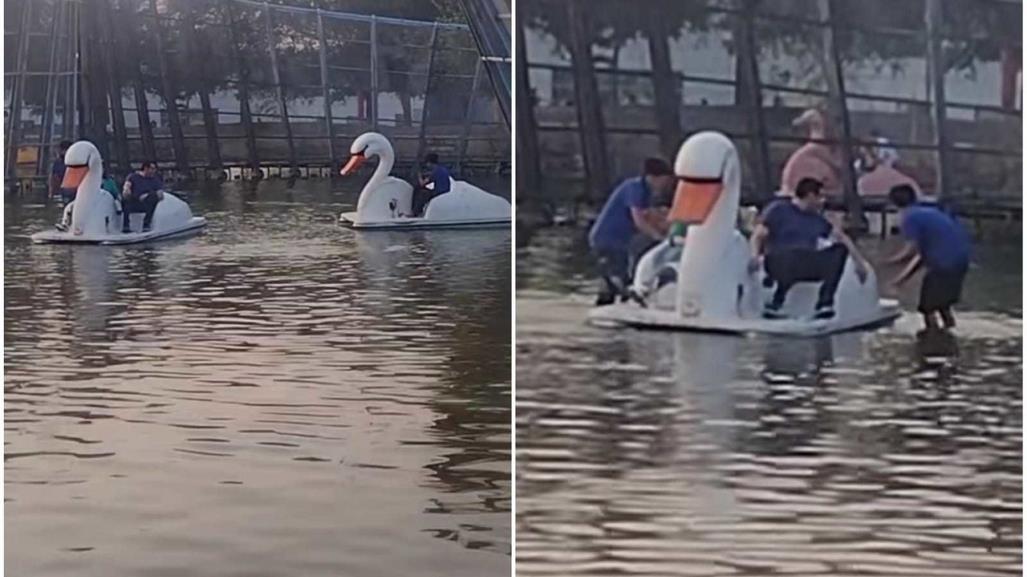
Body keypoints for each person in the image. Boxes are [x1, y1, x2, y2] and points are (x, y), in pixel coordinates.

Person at [749, 177, 870, 320]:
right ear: (810, 196)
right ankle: (777, 302)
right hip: (779, 262)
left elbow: (842, 238)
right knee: (793, 254)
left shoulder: (818, 219)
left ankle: (824, 303)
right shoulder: (779, 209)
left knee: (839, 250)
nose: (823, 201)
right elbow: (758, 234)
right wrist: (754, 256)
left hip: (804, 263)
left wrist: (859, 262)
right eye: (821, 197)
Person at [588, 157, 674, 305]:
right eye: (664, 181)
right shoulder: (634, 188)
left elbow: (650, 215)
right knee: (616, 281)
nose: (665, 185)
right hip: (607, 240)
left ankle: (619, 304)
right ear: (652, 177)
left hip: (621, 243)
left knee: (625, 278)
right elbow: (639, 220)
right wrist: (659, 238)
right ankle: (608, 307)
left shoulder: (645, 191)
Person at [885, 184, 970, 331]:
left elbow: (911, 252)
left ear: (893, 204)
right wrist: (899, 280)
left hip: (944, 263)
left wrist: (890, 262)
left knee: (927, 308)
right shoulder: (928, 212)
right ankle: (948, 335)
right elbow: (921, 258)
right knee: (943, 304)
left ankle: (932, 339)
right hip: (961, 261)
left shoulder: (910, 218)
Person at [122, 161, 164, 233]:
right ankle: (126, 226)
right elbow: (127, 186)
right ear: (146, 168)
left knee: (152, 198)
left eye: (154, 169)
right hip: (135, 201)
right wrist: (127, 190)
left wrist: (148, 195)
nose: (154, 171)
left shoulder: (155, 179)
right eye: (152, 169)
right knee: (125, 200)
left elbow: (160, 193)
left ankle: (146, 225)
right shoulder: (133, 177)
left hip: (147, 201)